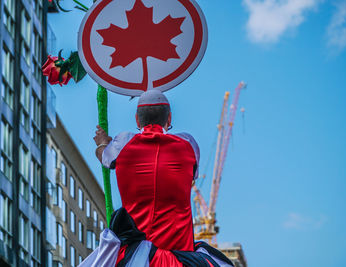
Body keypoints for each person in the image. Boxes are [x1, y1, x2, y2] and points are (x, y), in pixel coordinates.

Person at [82, 90, 233, 267]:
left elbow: (104, 156)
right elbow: (191, 175)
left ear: (137, 120)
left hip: (136, 259)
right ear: (169, 119)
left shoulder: (123, 143)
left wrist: (102, 142)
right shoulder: (188, 145)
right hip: (181, 259)